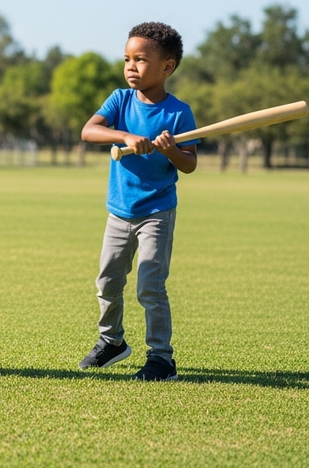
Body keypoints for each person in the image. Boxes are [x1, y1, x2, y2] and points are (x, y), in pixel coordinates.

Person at [78, 22, 198, 381]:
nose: (131, 66)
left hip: (157, 211)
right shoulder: (120, 100)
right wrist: (127, 135)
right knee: (108, 281)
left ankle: (161, 359)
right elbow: (89, 130)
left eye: (141, 59)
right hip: (119, 211)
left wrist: (171, 150)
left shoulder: (179, 113)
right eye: (127, 58)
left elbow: (189, 164)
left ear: (167, 67)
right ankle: (111, 341)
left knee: (150, 283)